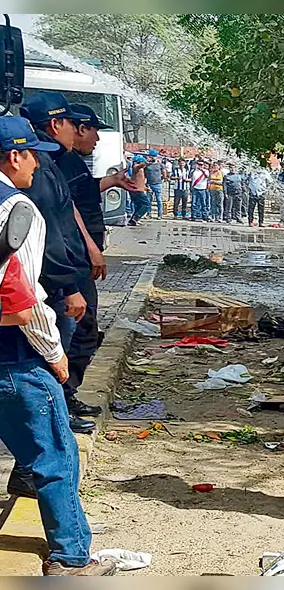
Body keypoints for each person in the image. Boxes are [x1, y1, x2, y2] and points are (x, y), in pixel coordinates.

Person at [0, 116, 116, 576]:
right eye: (34, 157)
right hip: (13, 353)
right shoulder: (16, 211)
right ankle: (71, 558)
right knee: (55, 455)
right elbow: (25, 298)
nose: (38, 167)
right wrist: (54, 354)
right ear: (15, 156)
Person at [18, 93, 94, 434]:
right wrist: (68, 287)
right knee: (54, 355)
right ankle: (54, 423)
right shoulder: (42, 171)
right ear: (56, 124)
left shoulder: (49, 164)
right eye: (69, 125)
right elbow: (49, 236)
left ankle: (59, 413)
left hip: (62, 278)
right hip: (56, 284)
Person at [58, 103, 137, 425]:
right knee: (80, 330)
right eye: (94, 130)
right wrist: (91, 247)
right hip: (72, 258)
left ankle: (67, 398)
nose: (97, 139)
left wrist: (114, 181)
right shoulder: (60, 162)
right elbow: (68, 208)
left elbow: (85, 193)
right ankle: (62, 402)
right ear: (77, 128)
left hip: (78, 256)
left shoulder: (72, 162)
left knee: (83, 329)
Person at [127, 154, 151, 226]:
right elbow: (139, 166)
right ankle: (136, 218)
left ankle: (134, 220)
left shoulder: (141, 170)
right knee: (146, 204)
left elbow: (140, 181)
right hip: (136, 190)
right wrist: (147, 161)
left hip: (138, 189)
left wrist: (146, 188)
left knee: (139, 205)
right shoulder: (136, 167)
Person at [144, 149, 164, 218]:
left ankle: (160, 214)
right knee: (149, 200)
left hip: (158, 184)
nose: (152, 157)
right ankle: (149, 213)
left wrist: (163, 178)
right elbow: (144, 174)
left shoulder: (160, 165)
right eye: (151, 156)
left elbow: (164, 172)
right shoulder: (147, 165)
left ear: (156, 157)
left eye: (153, 156)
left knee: (159, 200)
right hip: (149, 184)